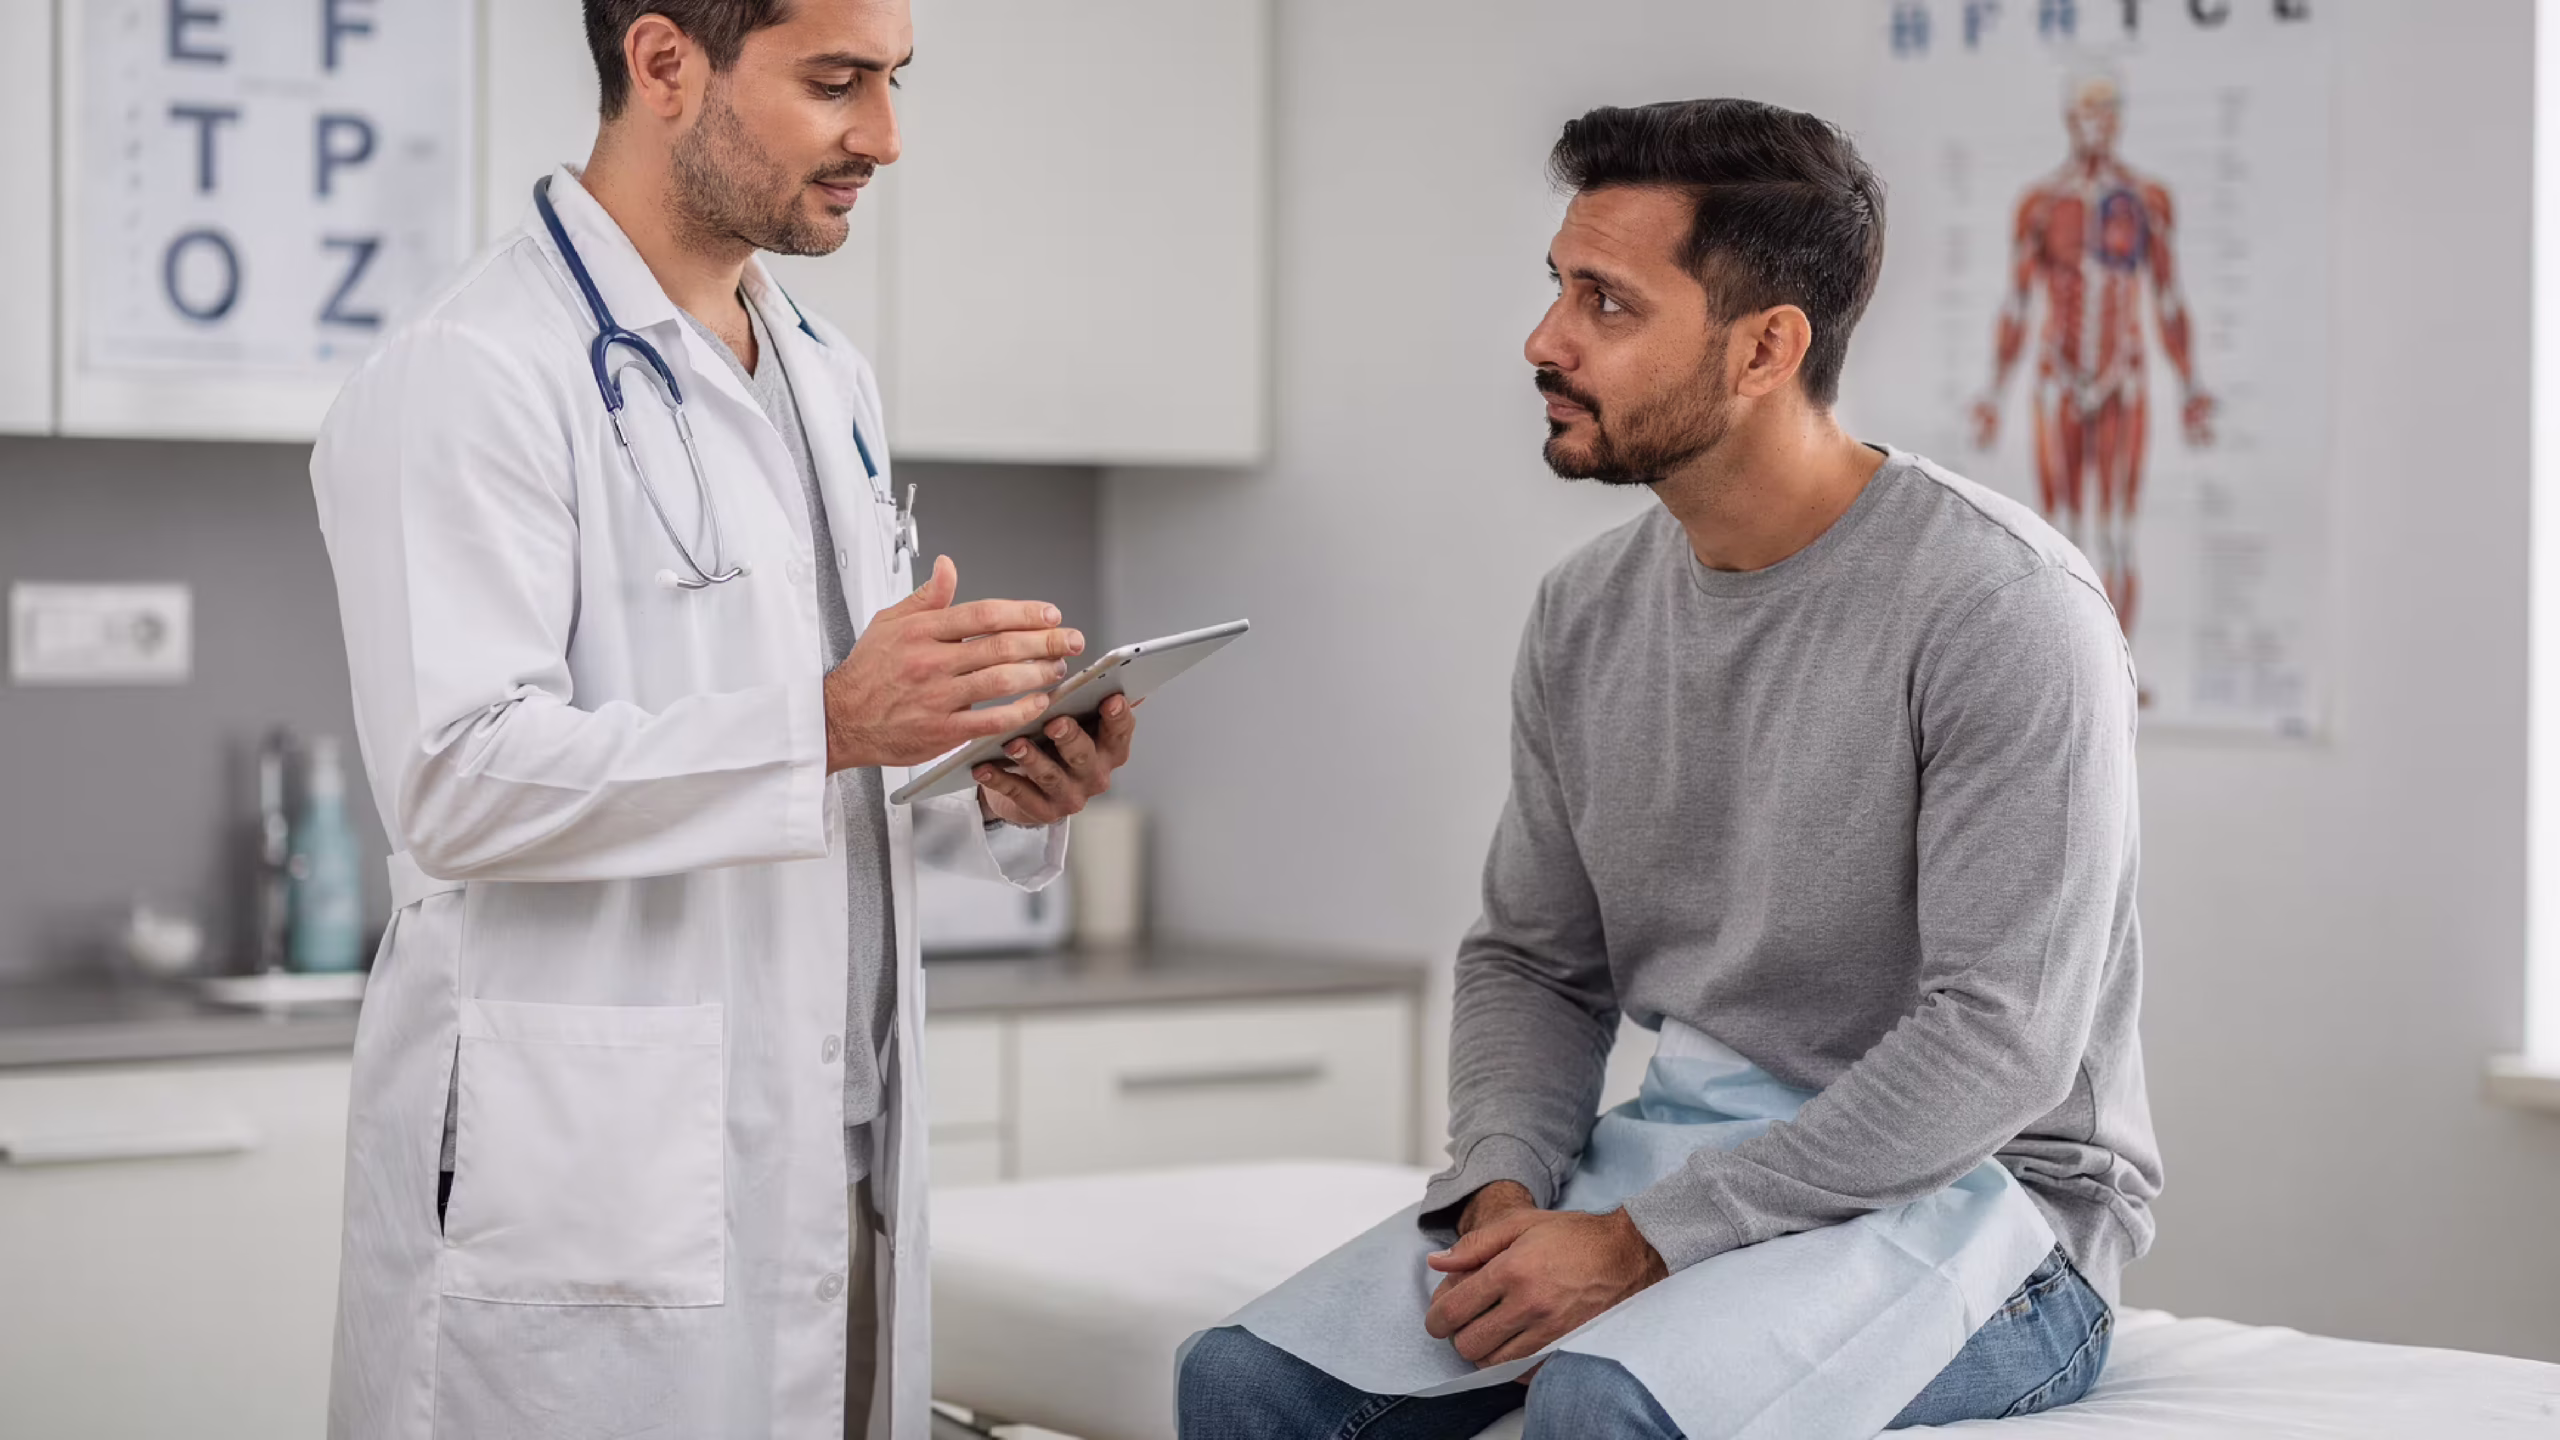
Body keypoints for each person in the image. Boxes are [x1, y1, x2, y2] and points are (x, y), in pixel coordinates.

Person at [1180, 99, 2158, 1437]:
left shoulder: (2004, 605)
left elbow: (2001, 1044)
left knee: (1602, 1406)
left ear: (1765, 348)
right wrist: (1508, 1188)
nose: (1545, 341)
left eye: (1609, 305)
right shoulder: (1585, 611)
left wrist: (1644, 1243)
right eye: (1557, 289)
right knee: (1243, 1382)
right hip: (1684, 1154)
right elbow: (1534, 960)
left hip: (1985, 1205)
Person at [310, 3, 1132, 1436]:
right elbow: (454, 779)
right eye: (836, 83)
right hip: (594, 1187)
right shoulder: (473, 369)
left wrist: (996, 775)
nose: (884, 136)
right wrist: (824, 721)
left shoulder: (824, 371)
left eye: (892, 83)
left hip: (833, 1147)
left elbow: (838, 759)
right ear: (664, 62)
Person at [1971, 71, 2216, 641]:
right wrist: (1992, 395)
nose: (2097, 123)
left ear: (2120, 117)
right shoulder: (2039, 204)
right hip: (2058, 375)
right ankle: (2065, 663)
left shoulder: (2148, 200)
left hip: (2121, 377)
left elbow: (2169, 297)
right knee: (2058, 533)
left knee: (2117, 534)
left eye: (2107, 111)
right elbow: (2016, 304)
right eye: (2087, 111)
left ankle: (2119, 674)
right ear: (2069, 117)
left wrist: (2191, 387)